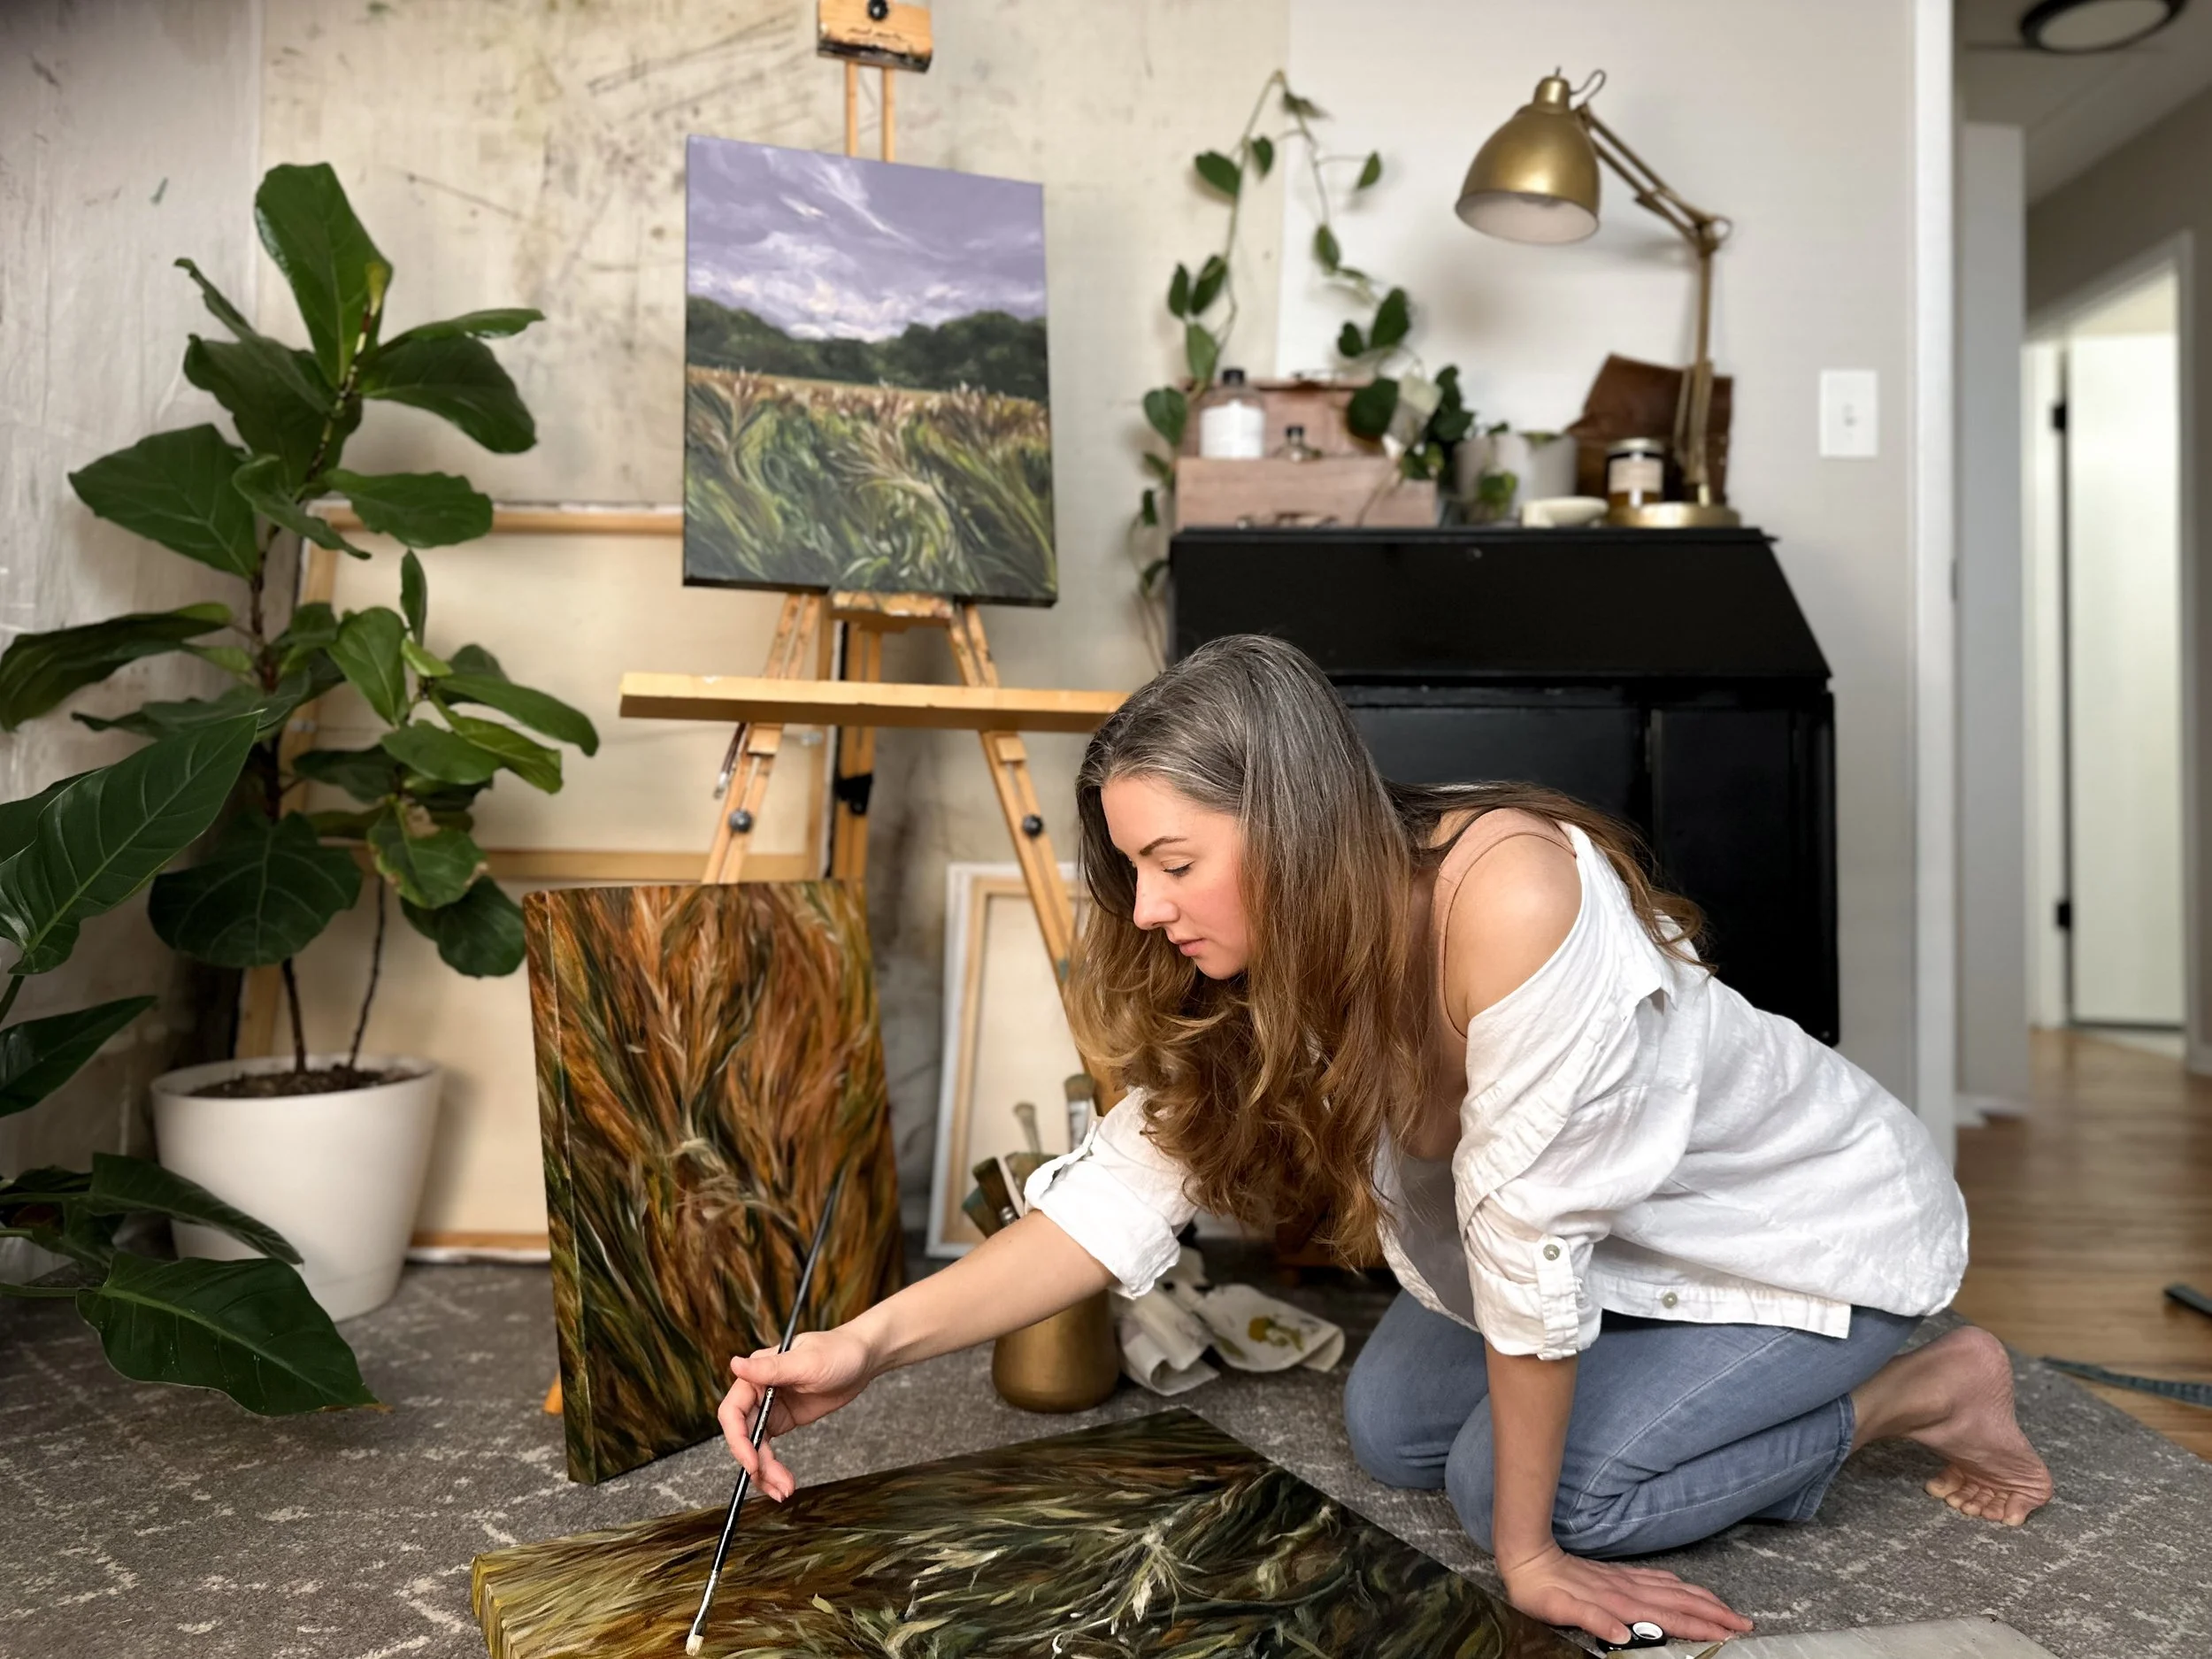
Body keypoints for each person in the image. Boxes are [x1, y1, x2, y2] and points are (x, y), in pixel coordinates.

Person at [717, 634, 2054, 1647]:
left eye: (1175, 861)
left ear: (1288, 819)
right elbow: (1125, 1186)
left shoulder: (1511, 895)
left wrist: (1528, 1561)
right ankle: (1660, 1390)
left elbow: (1530, 1252)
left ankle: (1922, 1387)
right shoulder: (1291, 943)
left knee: (1536, 1499)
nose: (1147, 906)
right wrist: (868, 1344)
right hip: (1617, 1251)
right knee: (1392, 1422)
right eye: (1132, 869)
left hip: (1802, 1235)